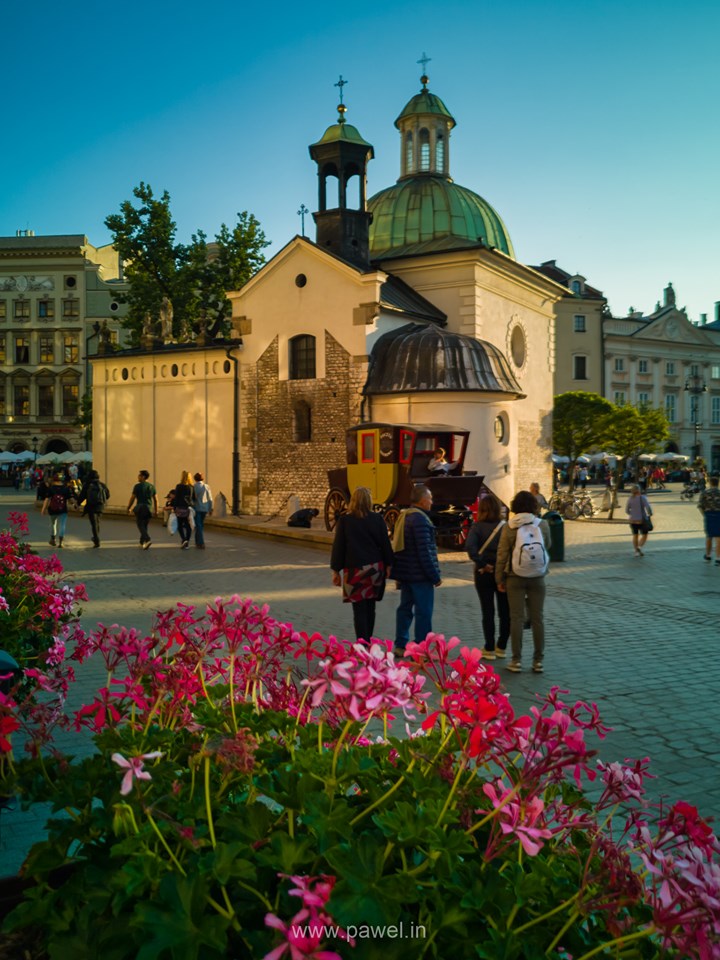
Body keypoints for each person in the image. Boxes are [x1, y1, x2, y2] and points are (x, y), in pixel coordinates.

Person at [495, 490, 551, 674]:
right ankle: (538, 661)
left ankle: (516, 660)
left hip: (514, 577)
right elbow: (547, 545)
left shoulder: (509, 527)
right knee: (537, 618)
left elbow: (502, 555)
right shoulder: (542, 524)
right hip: (537, 577)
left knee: (516, 618)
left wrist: (499, 579)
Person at [330, 487, 394, 644]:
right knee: (370, 607)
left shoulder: (345, 521)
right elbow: (385, 544)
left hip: (354, 571)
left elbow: (339, 546)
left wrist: (335, 570)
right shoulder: (377, 519)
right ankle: (369, 641)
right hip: (374, 569)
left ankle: (362, 643)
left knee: (358, 610)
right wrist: (389, 564)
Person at [392, 484, 442, 656]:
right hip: (420, 575)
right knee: (423, 612)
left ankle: (400, 644)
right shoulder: (420, 520)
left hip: (406, 573)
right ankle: (422, 648)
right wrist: (435, 576)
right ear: (423, 500)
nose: (432, 502)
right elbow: (425, 551)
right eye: (430, 498)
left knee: (405, 609)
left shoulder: (405, 516)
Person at [466, 495, 509, 660]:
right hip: (502, 572)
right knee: (505, 611)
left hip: (483, 573)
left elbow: (470, 548)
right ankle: (502, 646)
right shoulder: (505, 527)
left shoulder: (477, 527)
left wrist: (482, 564)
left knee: (487, 611)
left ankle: (489, 648)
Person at [41, 473, 76, 548]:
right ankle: (61, 542)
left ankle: (53, 539)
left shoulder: (51, 488)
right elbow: (71, 499)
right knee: (62, 525)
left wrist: (43, 509)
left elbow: (47, 499)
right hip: (63, 509)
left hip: (52, 509)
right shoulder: (66, 489)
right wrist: (75, 504)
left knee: (53, 524)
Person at [127, 470, 158, 549]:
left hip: (140, 508)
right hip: (149, 508)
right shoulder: (152, 486)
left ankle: (147, 539)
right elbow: (156, 500)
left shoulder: (138, 486)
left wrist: (129, 507)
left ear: (143, 477)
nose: (138, 477)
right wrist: (156, 510)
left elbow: (133, 498)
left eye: (139, 476)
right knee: (145, 525)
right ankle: (142, 542)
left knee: (140, 524)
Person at [79, 469, 110, 548]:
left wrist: (78, 503)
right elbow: (108, 495)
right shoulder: (102, 485)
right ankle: (96, 537)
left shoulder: (87, 485)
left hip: (91, 506)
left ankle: (96, 539)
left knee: (94, 523)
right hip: (100, 506)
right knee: (97, 522)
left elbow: (82, 496)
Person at [625, 484, 653, 557]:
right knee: (645, 535)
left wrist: (633, 514)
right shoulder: (642, 498)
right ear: (639, 490)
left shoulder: (630, 499)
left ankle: (636, 552)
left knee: (635, 535)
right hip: (641, 520)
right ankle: (639, 547)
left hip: (632, 520)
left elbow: (627, 510)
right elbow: (648, 507)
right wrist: (650, 513)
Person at [698, 475, 720, 565]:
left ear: (710, 483)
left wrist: (704, 515)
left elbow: (700, 506)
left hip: (709, 515)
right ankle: (718, 558)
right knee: (718, 537)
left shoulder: (704, 493)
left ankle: (708, 555)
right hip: (719, 515)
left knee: (709, 536)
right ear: (718, 483)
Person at [171, 470, 195, 549]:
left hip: (180, 508)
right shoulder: (191, 487)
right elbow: (194, 498)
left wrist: (174, 508)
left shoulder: (179, 486)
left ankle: (183, 539)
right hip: (188, 508)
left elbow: (176, 497)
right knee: (188, 525)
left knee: (180, 525)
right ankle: (187, 541)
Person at [192, 472, 213, 549]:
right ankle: (197, 541)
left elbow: (192, 498)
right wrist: (210, 508)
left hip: (196, 508)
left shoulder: (193, 487)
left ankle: (200, 542)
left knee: (198, 525)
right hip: (204, 508)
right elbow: (210, 498)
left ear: (195, 479)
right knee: (200, 525)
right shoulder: (206, 486)